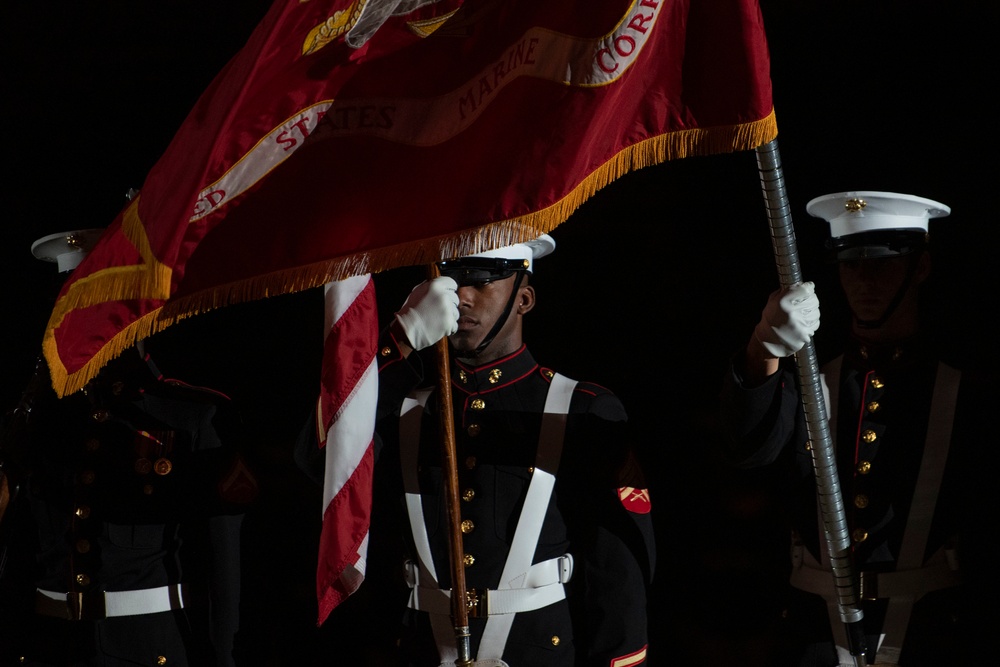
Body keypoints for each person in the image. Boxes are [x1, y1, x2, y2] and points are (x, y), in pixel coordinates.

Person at [716, 191, 992, 666]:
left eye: (882, 264)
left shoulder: (965, 394)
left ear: (919, 268)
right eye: (850, 265)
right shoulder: (812, 384)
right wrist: (761, 350)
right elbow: (748, 451)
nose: (864, 280)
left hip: (932, 636)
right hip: (816, 637)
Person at [356, 233, 655, 666]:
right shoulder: (405, 407)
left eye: (481, 282)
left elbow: (618, 576)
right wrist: (398, 342)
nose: (462, 296)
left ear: (524, 299)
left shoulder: (580, 409)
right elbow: (322, 465)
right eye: (452, 282)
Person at [0, 229, 256, 666]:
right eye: (68, 309)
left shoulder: (188, 415)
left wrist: (223, 655)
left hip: (147, 645)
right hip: (49, 645)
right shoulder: (35, 417)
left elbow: (222, 564)